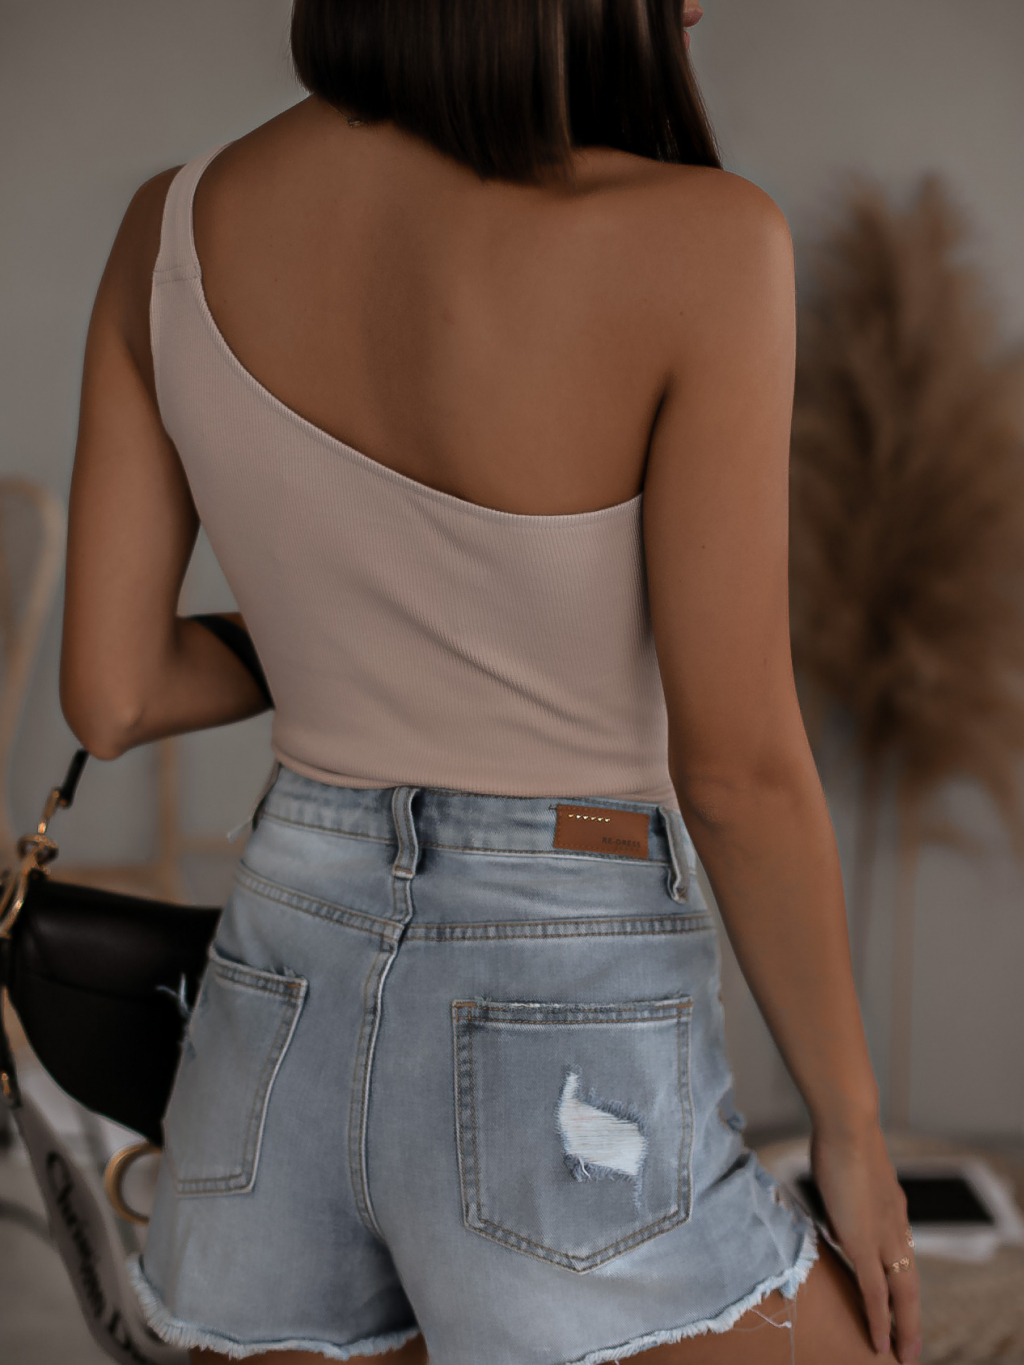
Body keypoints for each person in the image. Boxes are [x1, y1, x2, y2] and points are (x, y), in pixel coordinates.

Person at [59, 2, 922, 1363]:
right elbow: (738, 771)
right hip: (558, 985)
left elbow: (112, 696)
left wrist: (349, 626)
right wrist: (854, 1136)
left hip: (275, 998)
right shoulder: (705, 242)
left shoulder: (169, 228)